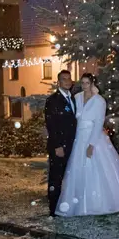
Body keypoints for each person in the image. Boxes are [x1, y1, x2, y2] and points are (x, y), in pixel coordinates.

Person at [56, 73, 119, 217]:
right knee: (78, 169)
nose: (84, 86)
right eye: (82, 83)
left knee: (96, 169)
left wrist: (91, 144)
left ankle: (98, 203)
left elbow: (98, 123)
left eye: (87, 83)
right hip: (79, 136)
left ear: (92, 83)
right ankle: (78, 203)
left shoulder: (99, 101)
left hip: (93, 137)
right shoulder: (76, 97)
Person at [44, 69, 78, 217]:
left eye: (69, 79)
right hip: (59, 146)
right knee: (56, 177)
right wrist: (58, 146)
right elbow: (51, 124)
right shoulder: (53, 100)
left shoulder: (73, 99)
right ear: (59, 82)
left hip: (72, 145)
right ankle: (54, 209)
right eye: (64, 79)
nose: (67, 81)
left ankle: (66, 206)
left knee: (69, 176)